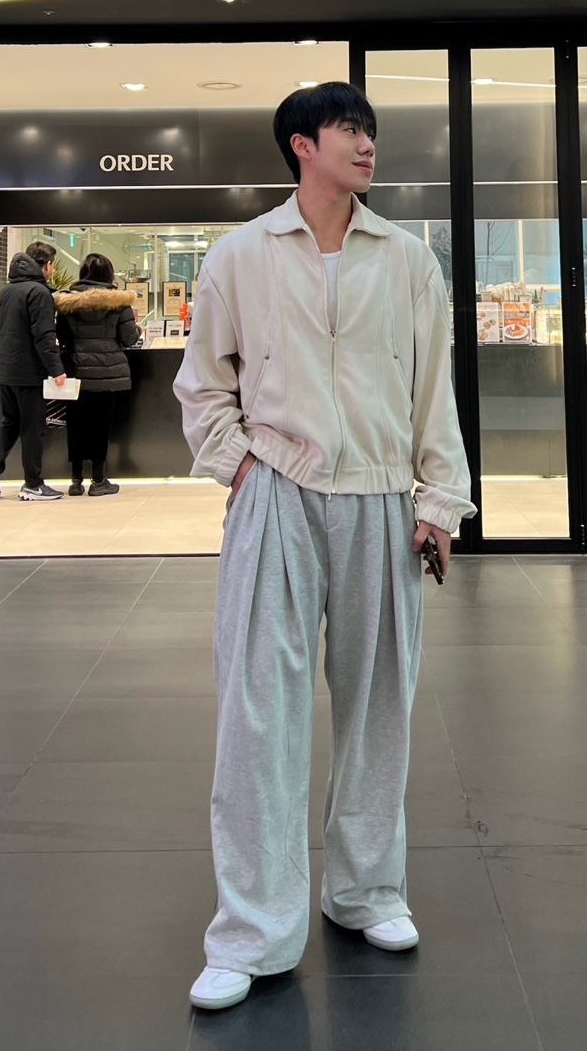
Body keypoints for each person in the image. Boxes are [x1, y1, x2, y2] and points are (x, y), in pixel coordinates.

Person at [174, 81, 475, 1011]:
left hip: (382, 497)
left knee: (381, 704)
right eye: (349, 129)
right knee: (258, 712)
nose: (367, 144)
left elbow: (434, 389)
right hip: (278, 494)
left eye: (371, 131)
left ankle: (367, 891)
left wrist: (441, 502)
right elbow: (202, 383)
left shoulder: (408, 259)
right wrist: (239, 467)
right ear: (302, 145)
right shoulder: (241, 255)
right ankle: (251, 932)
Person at [0, 240, 67, 503]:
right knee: (33, 427)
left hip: (6, 369)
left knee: (10, 422)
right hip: (29, 371)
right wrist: (56, 369)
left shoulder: (7, 291)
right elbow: (44, 335)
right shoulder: (39, 292)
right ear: (47, 265)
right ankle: (33, 484)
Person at [53, 252, 141, 496]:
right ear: (109, 275)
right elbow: (129, 338)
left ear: (83, 273)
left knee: (76, 426)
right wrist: (138, 329)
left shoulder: (67, 302)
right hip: (108, 373)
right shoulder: (119, 302)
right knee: (101, 426)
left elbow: (62, 336)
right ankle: (98, 480)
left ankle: (75, 481)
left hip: (76, 372)